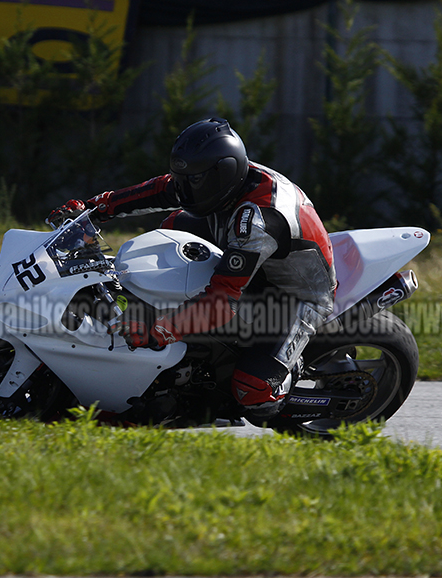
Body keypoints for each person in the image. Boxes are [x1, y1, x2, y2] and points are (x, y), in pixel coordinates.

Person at [48, 118, 336, 419]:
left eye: (192, 181)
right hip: (246, 246)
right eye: (181, 177)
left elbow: (221, 304)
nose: (183, 188)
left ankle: (289, 371)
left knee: (254, 393)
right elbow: (159, 190)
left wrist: (157, 330)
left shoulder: (258, 221)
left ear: (221, 173)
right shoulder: (220, 180)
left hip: (294, 292)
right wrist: (92, 209)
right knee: (171, 229)